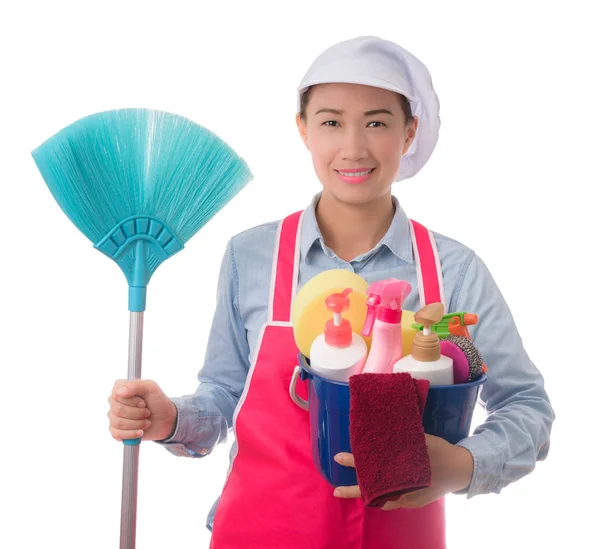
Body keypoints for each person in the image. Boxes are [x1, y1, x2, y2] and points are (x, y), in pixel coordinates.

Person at [107, 36, 554, 548]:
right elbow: (224, 397)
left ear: (409, 133)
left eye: (378, 122)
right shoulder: (250, 256)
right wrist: (171, 419)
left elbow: (526, 405)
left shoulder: (454, 270)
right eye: (331, 121)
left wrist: (460, 466)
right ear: (303, 129)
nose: (354, 147)